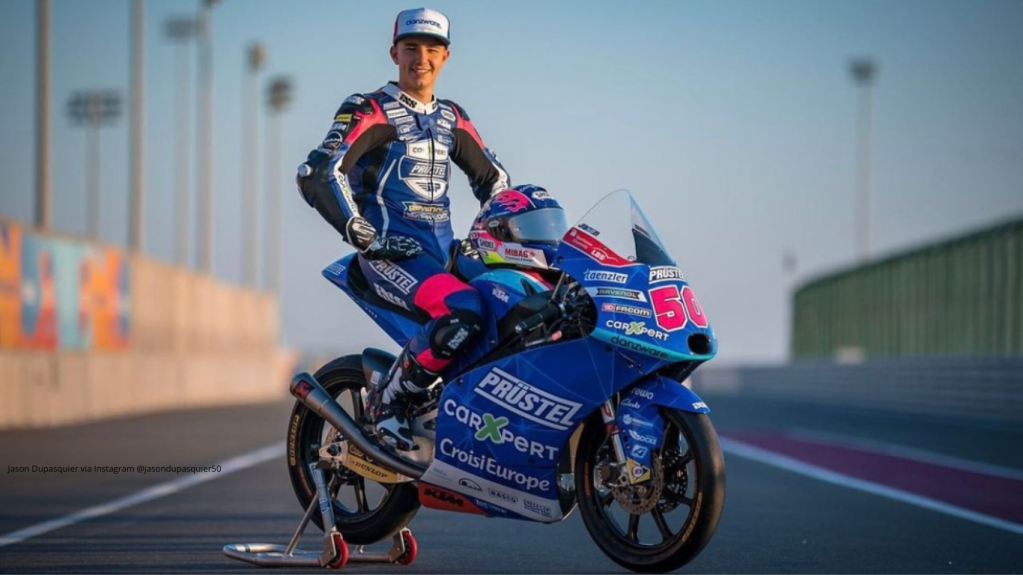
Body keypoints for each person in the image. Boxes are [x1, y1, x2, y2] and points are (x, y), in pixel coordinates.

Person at [295, 7, 510, 451]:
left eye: (432, 49)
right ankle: (388, 402)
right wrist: (363, 236)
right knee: (464, 310)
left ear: (446, 56)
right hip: (391, 254)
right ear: (394, 52)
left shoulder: (452, 117)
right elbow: (318, 172)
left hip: (444, 254)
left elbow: (496, 183)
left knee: (522, 301)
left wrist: (505, 234)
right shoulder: (370, 109)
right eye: (411, 48)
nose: (421, 59)